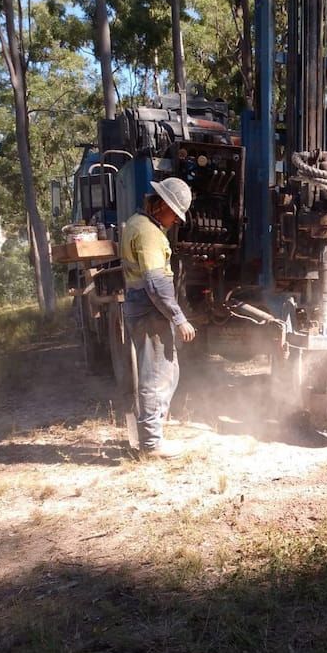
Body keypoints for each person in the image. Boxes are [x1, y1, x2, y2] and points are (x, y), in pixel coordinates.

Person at [121, 178, 196, 458]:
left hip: (142, 307)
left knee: (167, 371)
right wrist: (179, 318)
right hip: (150, 310)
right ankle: (151, 444)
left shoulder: (136, 224)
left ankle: (154, 431)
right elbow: (155, 283)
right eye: (174, 214)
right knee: (155, 375)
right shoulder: (150, 234)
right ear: (162, 205)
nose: (175, 221)